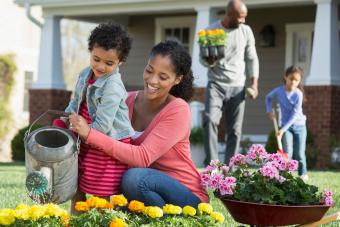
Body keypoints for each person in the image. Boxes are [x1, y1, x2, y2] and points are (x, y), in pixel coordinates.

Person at [69, 40, 209, 208]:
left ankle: (161, 221)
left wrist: (90, 134)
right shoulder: (125, 99)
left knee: (133, 179)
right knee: (116, 203)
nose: (152, 80)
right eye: (149, 70)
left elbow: (142, 157)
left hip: (186, 195)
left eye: (163, 77)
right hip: (146, 193)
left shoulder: (178, 110)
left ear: (177, 79)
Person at [53, 22, 134, 212]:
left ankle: (102, 221)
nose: (100, 66)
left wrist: (85, 132)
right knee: (76, 184)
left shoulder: (113, 86)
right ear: (90, 51)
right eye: (96, 59)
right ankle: (76, 221)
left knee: (100, 193)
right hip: (85, 136)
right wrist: (64, 120)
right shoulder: (85, 74)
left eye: (109, 63)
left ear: (120, 62)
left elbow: (104, 125)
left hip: (106, 143)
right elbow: (76, 103)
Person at [201, 0, 259, 166]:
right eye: (240, 17)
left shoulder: (246, 31)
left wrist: (254, 83)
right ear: (229, 14)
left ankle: (230, 168)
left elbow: (252, 58)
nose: (243, 21)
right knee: (210, 120)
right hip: (216, 84)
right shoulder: (211, 31)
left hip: (238, 85)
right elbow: (203, 60)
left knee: (235, 130)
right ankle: (212, 166)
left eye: (244, 17)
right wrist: (210, 60)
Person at [265, 66, 308, 181]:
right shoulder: (279, 91)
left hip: (299, 126)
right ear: (285, 77)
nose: (293, 82)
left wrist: (282, 130)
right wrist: (269, 111)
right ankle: (285, 175)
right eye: (291, 79)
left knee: (299, 153)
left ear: (299, 81)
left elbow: (294, 115)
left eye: (296, 80)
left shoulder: (298, 94)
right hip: (285, 127)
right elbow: (268, 98)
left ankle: (303, 174)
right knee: (287, 152)